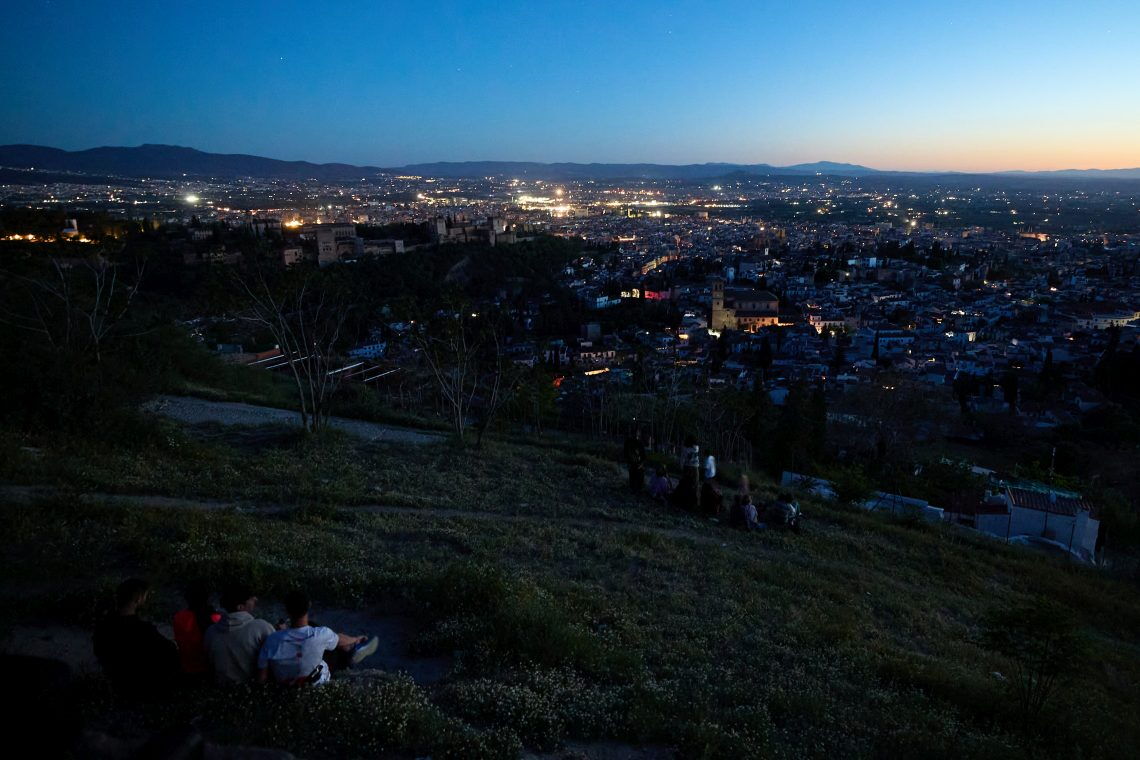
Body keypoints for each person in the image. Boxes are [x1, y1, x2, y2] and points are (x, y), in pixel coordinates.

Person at [258, 590, 377, 686]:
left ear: (287, 611)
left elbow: (262, 678)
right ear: (309, 605)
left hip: (287, 687)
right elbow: (339, 639)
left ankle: (351, 649)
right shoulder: (320, 633)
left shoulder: (271, 640)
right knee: (331, 643)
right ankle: (352, 650)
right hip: (318, 683)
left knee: (321, 642)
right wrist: (355, 638)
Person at [93, 578, 179, 696]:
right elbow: (169, 651)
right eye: (145, 596)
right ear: (138, 599)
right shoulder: (143, 630)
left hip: (115, 683)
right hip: (141, 687)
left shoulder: (103, 626)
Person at [204, 584, 275, 685]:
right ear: (240, 606)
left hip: (221, 690)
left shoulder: (211, 632)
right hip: (252, 690)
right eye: (250, 598)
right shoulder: (261, 628)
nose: (255, 599)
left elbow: (210, 663)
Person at [172, 581, 222, 679]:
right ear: (207, 598)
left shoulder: (179, 617)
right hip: (210, 669)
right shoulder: (217, 618)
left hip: (187, 668)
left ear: (187, 599)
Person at [672, 435, 701, 511]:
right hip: (695, 468)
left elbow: (682, 459)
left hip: (687, 467)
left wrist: (681, 468)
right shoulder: (697, 448)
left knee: (685, 484)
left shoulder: (685, 449)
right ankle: (693, 503)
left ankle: (683, 502)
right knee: (695, 485)